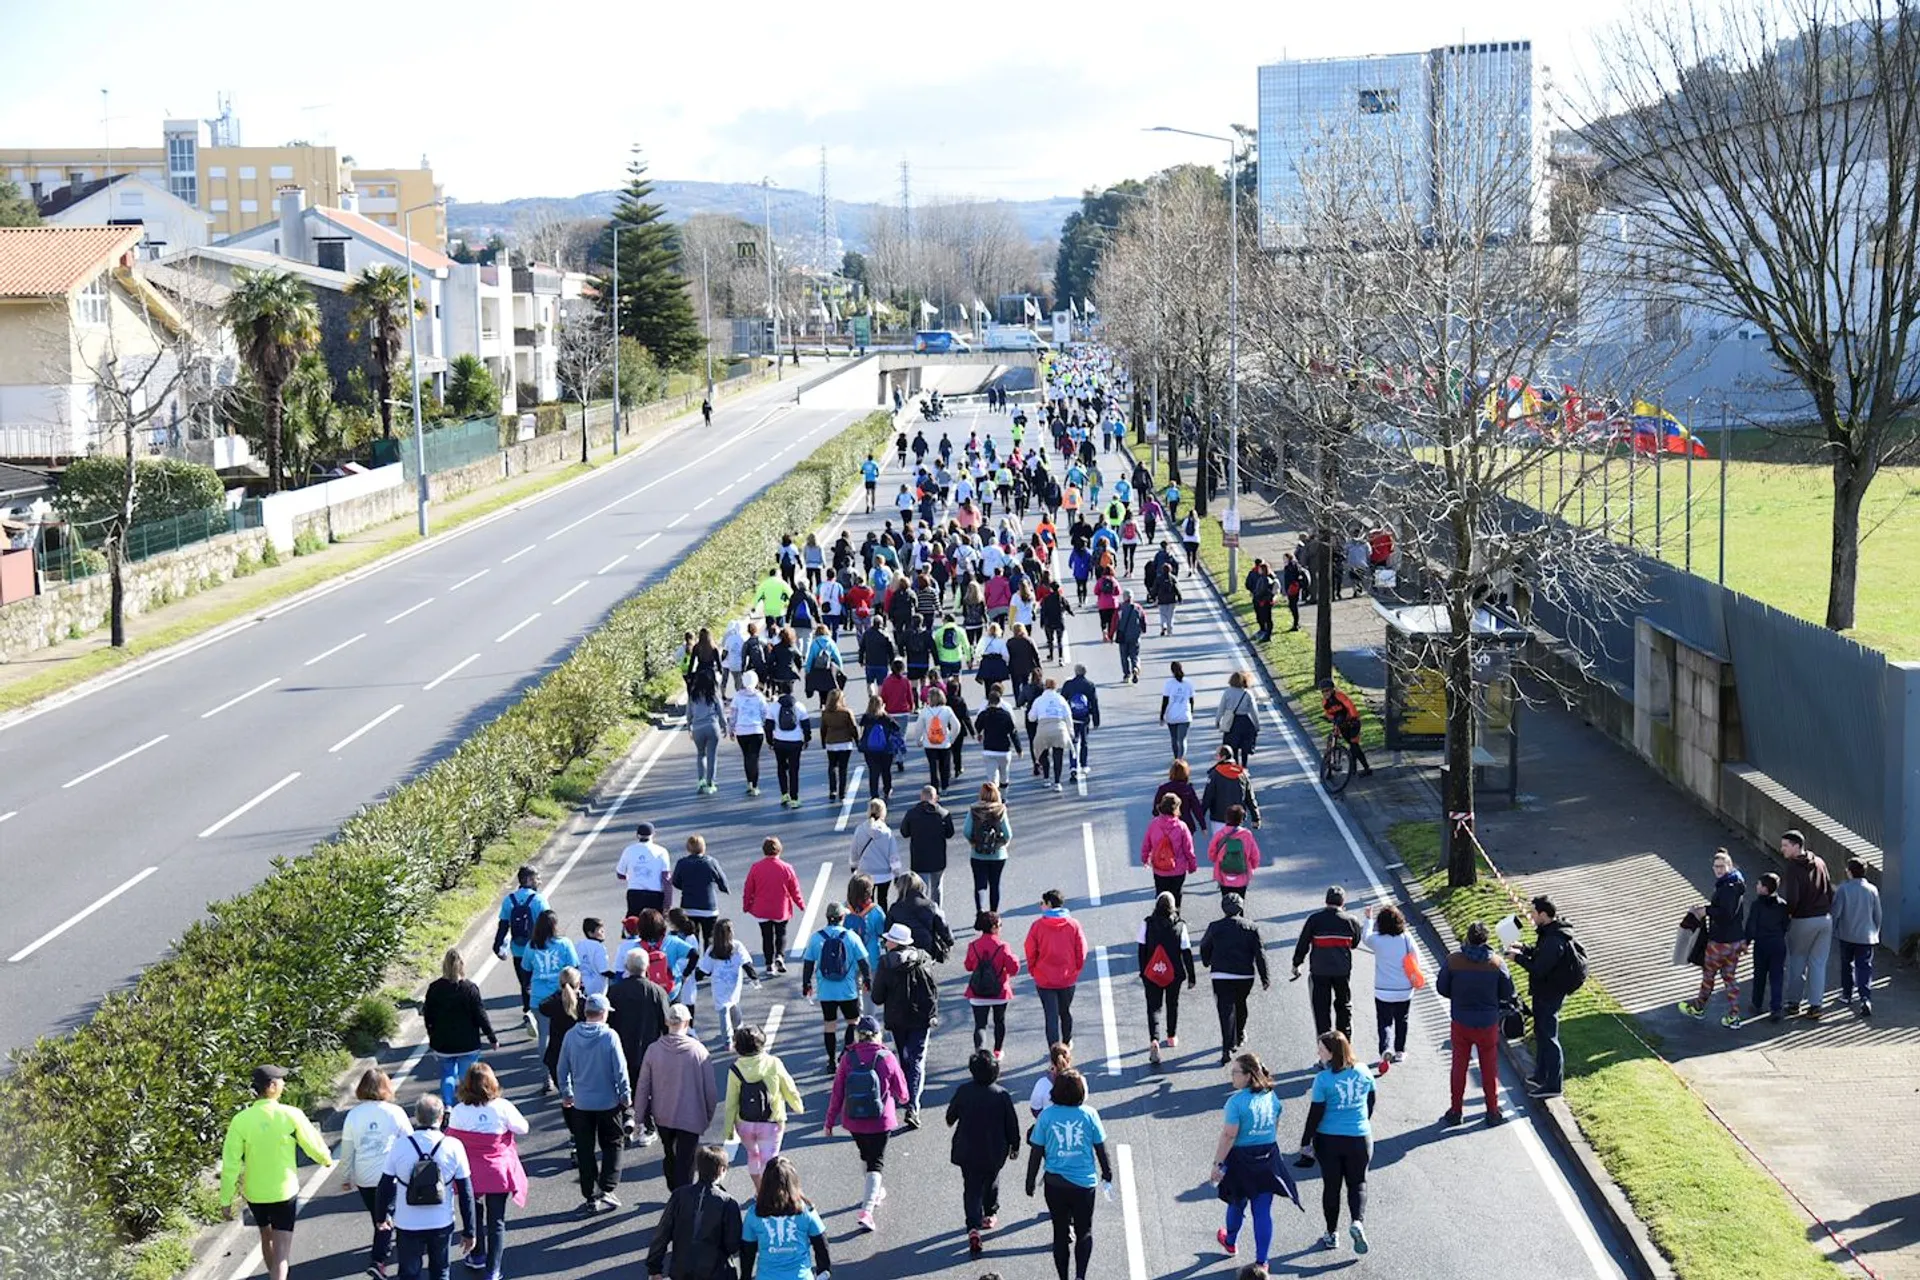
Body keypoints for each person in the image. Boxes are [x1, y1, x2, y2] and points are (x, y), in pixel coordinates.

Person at [220, 1065, 334, 1280]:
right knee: (282, 1251)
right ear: (271, 1086)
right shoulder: (290, 1114)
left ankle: (275, 1275)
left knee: (266, 1236)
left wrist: (225, 1199)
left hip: (255, 1192)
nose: (284, 1084)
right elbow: (312, 1144)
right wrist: (326, 1159)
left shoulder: (241, 1120)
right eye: (281, 1081)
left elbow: (231, 1164)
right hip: (284, 1191)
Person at [1210, 1052, 1298, 1270]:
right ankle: (1262, 1262)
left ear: (1248, 1075)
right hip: (1267, 1158)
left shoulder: (1236, 1102)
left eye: (1235, 1072)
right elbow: (1275, 1125)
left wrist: (1217, 1164)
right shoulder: (1272, 1096)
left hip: (1241, 1160)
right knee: (1262, 1211)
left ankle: (1230, 1242)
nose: (1232, 1076)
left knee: (1236, 1202)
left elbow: (1229, 1135)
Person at [825, 1014, 912, 1233]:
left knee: (866, 1156)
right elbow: (903, 1093)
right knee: (876, 1162)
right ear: (878, 1035)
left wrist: (829, 1122)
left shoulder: (848, 1058)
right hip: (880, 1121)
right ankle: (867, 1210)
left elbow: (837, 1093)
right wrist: (903, 1100)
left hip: (854, 1121)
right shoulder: (886, 1057)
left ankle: (875, 1190)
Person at [375, 1095, 476, 1280]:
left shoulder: (400, 1145)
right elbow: (466, 1192)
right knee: (440, 1272)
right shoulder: (453, 1146)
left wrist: (381, 1217)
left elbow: (385, 1185)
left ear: (416, 1116)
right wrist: (470, 1230)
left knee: (409, 1273)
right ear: (440, 1118)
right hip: (441, 1221)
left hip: (407, 1223)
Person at [1025, 1068, 1113, 1280]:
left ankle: (1063, 1277)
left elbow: (1036, 1151)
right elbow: (1100, 1147)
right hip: (1084, 1185)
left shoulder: (1046, 1116)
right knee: (1084, 1231)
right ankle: (1080, 1276)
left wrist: (1029, 1181)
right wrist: (1107, 1172)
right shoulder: (1089, 1114)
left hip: (1055, 1185)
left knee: (1060, 1233)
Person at [446, 1063, 529, 1280]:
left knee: (473, 1215)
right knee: (497, 1220)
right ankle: (493, 1270)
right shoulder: (502, 1107)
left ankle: (477, 1255)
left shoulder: (458, 1111)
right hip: (497, 1171)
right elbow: (523, 1128)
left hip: (470, 1172)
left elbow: (451, 1140)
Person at [1297, 1031, 1377, 1255]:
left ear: (1332, 1053)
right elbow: (1371, 1100)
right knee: (1358, 1183)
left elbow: (1315, 1114)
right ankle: (1357, 1222)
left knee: (1331, 1187)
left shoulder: (1323, 1079)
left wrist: (1305, 1142)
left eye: (1321, 1049)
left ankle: (1332, 1234)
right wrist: (1361, 1121)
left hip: (1329, 1141)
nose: (1318, 1053)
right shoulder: (1363, 1071)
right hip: (1359, 1138)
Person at [555, 992, 631, 1213]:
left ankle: (590, 1194)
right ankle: (607, 1187)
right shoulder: (609, 1036)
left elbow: (562, 1068)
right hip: (608, 1103)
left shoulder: (571, 1035)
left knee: (585, 1149)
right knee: (613, 1143)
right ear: (604, 1013)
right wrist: (625, 1096)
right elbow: (620, 1070)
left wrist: (567, 1093)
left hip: (581, 1104)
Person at [635, 1004, 720, 1194]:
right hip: (692, 1117)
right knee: (687, 1160)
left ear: (667, 1022)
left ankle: (674, 1192)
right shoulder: (698, 1051)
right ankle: (683, 1199)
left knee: (669, 1155)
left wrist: (639, 1117)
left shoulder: (653, 1050)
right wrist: (707, 1117)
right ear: (688, 1023)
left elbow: (642, 1086)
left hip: (663, 1115)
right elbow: (711, 1091)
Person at [1437, 921, 1514, 1127]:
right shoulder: (1496, 963)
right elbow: (1507, 992)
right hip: (1487, 1023)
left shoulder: (1453, 961)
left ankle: (1455, 1110)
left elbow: (1442, 988)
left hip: (1461, 1021)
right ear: (1486, 940)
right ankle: (1492, 1111)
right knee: (1489, 1068)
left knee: (1459, 1066)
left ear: (1468, 938)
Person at [948, 1048, 1023, 1257]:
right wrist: (1015, 1146)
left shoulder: (964, 1091)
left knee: (971, 1188)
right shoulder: (1002, 1095)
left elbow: (950, 1117)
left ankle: (973, 1227)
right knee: (991, 1181)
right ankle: (989, 1213)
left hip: (967, 1150)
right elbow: (1012, 1125)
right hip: (994, 1151)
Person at [336, 1069, 410, 1280]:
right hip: (391, 1175)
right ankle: (378, 1260)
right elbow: (409, 1141)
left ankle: (383, 1247)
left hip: (364, 1177)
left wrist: (345, 1177)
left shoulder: (353, 1115)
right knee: (386, 1216)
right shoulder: (395, 1112)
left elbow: (347, 1150)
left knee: (378, 1215)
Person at [1508, 895, 1582, 1095]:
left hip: (1550, 993)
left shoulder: (1554, 939)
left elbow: (1539, 968)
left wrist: (1518, 958)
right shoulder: (1549, 932)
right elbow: (1540, 954)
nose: (1530, 916)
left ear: (1543, 914)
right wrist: (1524, 948)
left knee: (1549, 1037)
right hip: (1544, 991)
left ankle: (1554, 1085)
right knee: (1541, 1033)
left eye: (1533, 912)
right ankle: (1540, 1075)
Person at [870, 921, 939, 1127]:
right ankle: (913, 1106)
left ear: (894, 942)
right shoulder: (924, 958)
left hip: (897, 1018)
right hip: (921, 1017)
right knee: (918, 1060)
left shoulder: (886, 963)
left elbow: (877, 997)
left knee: (904, 1058)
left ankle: (904, 1094)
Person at [723, 1024, 804, 1193]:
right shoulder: (773, 1063)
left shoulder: (735, 1069)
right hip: (772, 1121)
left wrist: (728, 1129)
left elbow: (731, 1101)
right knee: (770, 1160)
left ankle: (760, 1192)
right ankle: (772, 1194)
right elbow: (788, 1087)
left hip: (745, 1123)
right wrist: (797, 1106)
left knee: (753, 1156)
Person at [644, 1145, 743, 1280]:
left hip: (681, 1271)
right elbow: (733, 1245)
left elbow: (662, 1233)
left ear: (698, 1167)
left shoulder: (679, 1196)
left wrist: (654, 1268)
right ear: (722, 1169)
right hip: (717, 1272)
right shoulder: (728, 1203)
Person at [1680, 849, 1748, 1027]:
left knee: (1708, 975)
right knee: (1729, 977)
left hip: (1720, 942)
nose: (1718, 870)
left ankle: (1699, 1007)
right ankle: (1734, 1015)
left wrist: (1706, 911)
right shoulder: (1736, 883)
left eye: (1721, 866)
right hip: (1736, 941)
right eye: (1715, 866)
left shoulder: (1727, 888)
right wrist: (1707, 908)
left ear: (1729, 866)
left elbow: (1725, 913)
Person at [607, 944, 673, 1129]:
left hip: (621, 1049)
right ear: (647, 967)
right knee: (649, 1089)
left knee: (624, 1085)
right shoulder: (656, 992)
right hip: (649, 1050)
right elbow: (666, 1023)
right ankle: (648, 1126)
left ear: (627, 967)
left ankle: (627, 1117)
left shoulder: (615, 992)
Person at [422, 948, 498, 1108]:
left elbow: (428, 1015)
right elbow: (480, 1015)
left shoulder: (434, 988)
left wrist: (432, 1036)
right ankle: (466, 1105)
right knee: (467, 1077)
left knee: (447, 1074)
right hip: (468, 1043)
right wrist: (491, 1037)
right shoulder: (470, 988)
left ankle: (448, 1106)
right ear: (462, 965)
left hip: (443, 1043)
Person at [1200, 894, 1270, 1065]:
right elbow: (1260, 953)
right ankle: (1239, 1034)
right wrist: (1264, 976)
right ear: (1241, 907)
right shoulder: (1252, 927)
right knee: (1241, 1004)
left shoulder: (1215, 927)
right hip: (1244, 975)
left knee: (1225, 1010)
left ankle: (1227, 1047)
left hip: (1221, 975)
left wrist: (1207, 961)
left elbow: (1204, 946)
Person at [802, 902, 873, 1068]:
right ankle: (846, 1054)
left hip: (826, 990)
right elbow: (864, 962)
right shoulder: (851, 936)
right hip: (847, 990)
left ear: (827, 918)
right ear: (843, 918)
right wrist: (868, 980)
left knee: (829, 1025)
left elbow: (808, 963)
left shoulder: (816, 937)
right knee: (853, 1022)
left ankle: (831, 1061)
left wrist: (806, 984)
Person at [739, 1156, 833, 1278]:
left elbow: (747, 1252)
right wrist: (823, 1271)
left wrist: (745, 1277)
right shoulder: (806, 1211)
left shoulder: (754, 1213)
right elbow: (821, 1244)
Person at [1291, 886, 1364, 1043]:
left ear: (1326, 901)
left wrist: (1297, 963)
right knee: (1343, 1007)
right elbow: (1355, 943)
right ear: (1343, 902)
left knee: (1322, 1011)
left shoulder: (1314, 919)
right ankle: (1344, 1045)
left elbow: (1303, 943)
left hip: (1319, 971)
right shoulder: (1351, 921)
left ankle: (1325, 1049)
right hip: (1342, 971)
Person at [1139, 891, 1197, 1066]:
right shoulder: (1180, 926)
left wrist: (1143, 972)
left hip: (1152, 972)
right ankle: (1171, 1036)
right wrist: (1191, 975)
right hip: (1174, 974)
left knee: (1153, 1007)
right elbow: (1186, 952)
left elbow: (1141, 950)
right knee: (1173, 1003)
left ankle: (1154, 1039)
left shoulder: (1147, 923)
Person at [1025, 889, 1089, 1050]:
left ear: (1049, 904)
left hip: (1044, 978)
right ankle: (1067, 1041)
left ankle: (1055, 1050)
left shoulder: (1038, 926)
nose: (1041, 906)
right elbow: (1082, 949)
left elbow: (1030, 950)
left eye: (1042, 903)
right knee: (1065, 1011)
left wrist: (1032, 969)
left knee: (1051, 1016)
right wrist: (1076, 968)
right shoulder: (1073, 924)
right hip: (1067, 978)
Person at [1781, 830, 1835, 1018]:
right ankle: (1815, 1005)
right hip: (1824, 919)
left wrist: (1789, 914)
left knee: (1797, 960)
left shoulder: (1793, 867)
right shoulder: (1819, 862)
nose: (1782, 849)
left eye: (1786, 846)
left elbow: (1793, 898)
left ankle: (1794, 1003)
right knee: (1818, 963)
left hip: (1803, 919)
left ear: (1797, 846)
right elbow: (1829, 889)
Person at [492, 866, 550, 1030]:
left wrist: (497, 946)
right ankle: (540, 1013)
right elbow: (549, 923)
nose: (539, 881)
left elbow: (503, 925)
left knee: (525, 984)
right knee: (540, 980)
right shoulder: (539, 900)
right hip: (538, 949)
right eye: (537, 878)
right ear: (529, 880)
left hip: (518, 950)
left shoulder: (509, 900)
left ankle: (528, 1012)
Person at [523, 911, 581, 1069]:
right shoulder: (564, 943)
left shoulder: (531, 945)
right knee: (567, 1034)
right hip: (562, 996)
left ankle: (546, 1073)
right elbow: (574, 968)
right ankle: (570, 1069)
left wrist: (527, 986)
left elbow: (526, 969)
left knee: (544, 1036)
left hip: (538, 998)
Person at [1360, 906, 1417, 1064]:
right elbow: (1416, 959)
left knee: (1384, 1021)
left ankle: (1385, 1048)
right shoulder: (1406, 938)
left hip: (1383, 990)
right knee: (1402, 1020)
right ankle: (1400, 1051)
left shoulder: (1377, 940)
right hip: (1404, 989)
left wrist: (1368, 919)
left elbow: (1365, 937)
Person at [743, 837, 805, 974]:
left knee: (766, 936)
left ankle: (769, 964)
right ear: (779, 850)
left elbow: (748, 888)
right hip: (780, 909)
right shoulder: (787, 868)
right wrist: (800, 904)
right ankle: (780, 956)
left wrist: (746, 905)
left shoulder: (756, 867)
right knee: (781, 933)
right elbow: (794, 889)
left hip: (761, 909)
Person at [965, 910, 1021, 1058]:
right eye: (1000, 925)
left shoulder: (973, 945)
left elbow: (968, 966)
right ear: (994, 927)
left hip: (977, 992)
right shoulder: (1003, 946)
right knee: (999, 1021)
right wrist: (1014, 958)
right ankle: (997, 1052)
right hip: (999, 992)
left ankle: (980, 1053)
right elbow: (1013, 969)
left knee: (980, 1025)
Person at [1832, 857, 1882, 1017]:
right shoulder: (1872, 889)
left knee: (1846, 965)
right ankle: (1865, 998)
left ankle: (1847, 995)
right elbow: (1877, 914)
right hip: (1866, 935)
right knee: (1864, 966)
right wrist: (1875, 931)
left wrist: (1833, 929)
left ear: (1849, 871)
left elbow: (1836, 913)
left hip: (1846, 934)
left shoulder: (1843, 889)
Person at [698, 918, 762, 1043]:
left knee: (723, 1010)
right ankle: (738, 1029)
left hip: (719, 985)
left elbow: (705, 969)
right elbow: (746, 963)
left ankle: (727, 1039)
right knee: (734, 1003)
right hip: (734, 983)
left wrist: (695, 977)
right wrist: (754, 977)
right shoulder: (737, 946)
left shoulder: (712, 950)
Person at [1745, 872, 1792, 1022]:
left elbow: (1751, 926)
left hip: (1762, 944)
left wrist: (1746, 942)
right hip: (1778, 943)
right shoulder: (1783, 905)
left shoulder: (1757, 905)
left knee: (1759, 975)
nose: (1756, 886)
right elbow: (1786, 925)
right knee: (1777, 976)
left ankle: (1756, 1003)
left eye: (1759, 884)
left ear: (1765, 889)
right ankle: (1776, 1007)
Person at [672, 835, 731, 950]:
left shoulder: (682, 863)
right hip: (709, 908)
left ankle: (693, 963)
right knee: (709, 938)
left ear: (688, 848)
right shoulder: (711, 862)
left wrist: (685, 888)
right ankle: (707, 964)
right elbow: (722, 880)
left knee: (691, 938)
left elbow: (675, 881)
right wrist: (724, 888)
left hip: (689, 907)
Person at [1140, 794, 1199, 906]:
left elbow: (1146, 844)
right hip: (1178, 869)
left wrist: (1145, 859)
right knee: (1176, 895)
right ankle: (1175, 918)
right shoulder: (1182, 826)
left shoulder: (1154, 824)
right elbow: (1188, 849)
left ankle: (1160, 919)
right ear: (1176, 809)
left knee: (1160, 895)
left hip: (1159, 868)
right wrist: (1192, 865)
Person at [965, 780, 1014, 912]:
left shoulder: (974, 809)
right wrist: (1002, 844)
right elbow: (1008, 833)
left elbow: (967, 831)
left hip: (978, 854)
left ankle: (980, 913)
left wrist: (974, 842)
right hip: (998, 855)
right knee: (995, 885)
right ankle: (993, 914)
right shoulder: (1001, 810)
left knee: (979, 885)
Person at [886, 868, 955, 962]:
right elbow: (942, 926)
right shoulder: (930, 905)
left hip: (903, 948)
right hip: (926, 948)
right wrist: (949, 941)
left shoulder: (895, 908)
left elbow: (887, 930)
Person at [764, 684, 813, 809]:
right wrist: (806, 739)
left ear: (780, 691)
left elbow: (768, 726)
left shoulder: (774, 706)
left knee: (781, 768)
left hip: (779, 741)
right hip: (795, 742)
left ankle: (784, 794)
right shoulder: (799, 706)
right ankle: (794, 797)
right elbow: (806, 726)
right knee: (794, 770)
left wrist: (770, 742)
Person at [538, 965, 584, 1093]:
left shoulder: (553, 1004)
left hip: (558, 1053)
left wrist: (559, 992)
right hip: (580, 1054)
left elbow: (542, 1006)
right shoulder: (583, 1004)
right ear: (579, 983)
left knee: (566, 1092)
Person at [850, 798, 903, 908]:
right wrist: (897, 873)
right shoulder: (887, 832)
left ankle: (869, 923)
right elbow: (893, 856)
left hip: (865, 873)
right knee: (883, 900)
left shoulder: (860, 830)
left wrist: (854, 866)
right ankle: (882, 922)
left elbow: (854, 851)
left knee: (867, 901)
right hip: (884, 875)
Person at [730, 671, 772, 797]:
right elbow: (766, 713)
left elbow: (733, 714)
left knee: (746, 756)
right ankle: (755, 785)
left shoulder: (738, 696)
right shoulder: (759, 696)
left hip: (742, 730)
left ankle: (749, 782)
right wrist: (767, 727)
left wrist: (731, 729)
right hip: (756, 729)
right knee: (754, 757)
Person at [1207, 807, 1262, 902]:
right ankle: (1240, 915)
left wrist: (1217, 860)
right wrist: (1253, 866)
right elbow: (1255, 855)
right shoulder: (1247, 835)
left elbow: (1211, 854)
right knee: (1240, 902)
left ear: (1226, 818)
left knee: (1226, 902)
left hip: (1224, 875)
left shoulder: (1220, 834)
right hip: (1242, 875)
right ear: (1242, 819)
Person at [1319, 680, 1372, 777]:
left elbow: (1350, 706)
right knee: (1351, 746)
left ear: (1332, 690)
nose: (1325, 693)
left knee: (1354, 745)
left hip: (1352, 723)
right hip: (1342, 725)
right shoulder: (1325, 702)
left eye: (1327, 690)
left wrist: (1353, 717)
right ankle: (1353, 768)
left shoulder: (1340, 696)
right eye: (1323, 691)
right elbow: (1328, 713)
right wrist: (1330, 718)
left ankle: (1364, 768)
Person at [1200, 746, 1261, 829]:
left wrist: (1200, 817)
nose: (1215, 757)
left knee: (1220, 841)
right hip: (1237, 818)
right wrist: (1256, 818)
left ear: (1223, 757)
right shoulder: (1242, 774)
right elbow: (1250, 797)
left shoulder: (1215, 774)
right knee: (1234, 841)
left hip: (1219, 818)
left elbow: (1207, 797)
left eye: (1217, 755)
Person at [1029, 677, 1074, 790]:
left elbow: (1031, 718)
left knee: (1043, 753)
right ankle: (1057, 782)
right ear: (1055, 687)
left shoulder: (1039, 700)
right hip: (1059, 728)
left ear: (1045, 687)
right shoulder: (1061, 699)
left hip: (1043, 728)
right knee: (1058, 754)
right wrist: (1070, 731)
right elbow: (1068, 716)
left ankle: (1046, 778)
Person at [974, 685, 1022, 789]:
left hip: (989, 749)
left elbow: (977, 726)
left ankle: (995, 798)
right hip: (1004, 750)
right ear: (999, 701)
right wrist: (1019, 749)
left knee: (992, 778)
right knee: (1004, 777)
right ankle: (1003, 798)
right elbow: (1013, 732)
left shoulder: (984, 714)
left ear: (988, 701)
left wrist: (979, 733)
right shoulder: (1005, 715)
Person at [1060, 663, 1100, 781]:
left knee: (1073, 742)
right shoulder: (1089, 685)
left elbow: (1062, 700)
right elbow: (1094, 703)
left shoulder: (1069, 684)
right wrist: (1096, 720)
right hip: (1084, 718)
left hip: (1072, 718)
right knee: (1084, 742)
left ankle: (1073, 766)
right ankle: (1083, 764)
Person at [819, 688, 859, 803]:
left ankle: (832, 790)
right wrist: (857, 739)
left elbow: (823, 729)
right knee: (843, 768)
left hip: (831, 742)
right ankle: (842, 792)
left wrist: (823, 741)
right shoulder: (846, 712)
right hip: (845, 742)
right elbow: (853, 727)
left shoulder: (825, 713)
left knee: (832, 766)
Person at [1214, 671, 1261, 766]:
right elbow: (1254, 711)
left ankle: (1235, 766)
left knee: (1232, 748)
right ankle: (1244, 766)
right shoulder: (1247, 693)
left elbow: (1221, 708)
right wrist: (1257, 725)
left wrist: (1218, 720)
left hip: (1231, 724)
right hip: (1245, 722)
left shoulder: (1227, 692)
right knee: (1245, 748)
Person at [689, 682, 727, 796]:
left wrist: (689, 727)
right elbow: (720, 712)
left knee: (701, 754)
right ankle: (711, 783)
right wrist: (724, 726)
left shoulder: (693, 696)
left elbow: (688, 714)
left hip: (697, 728)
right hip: (712, 727)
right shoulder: (713, 695)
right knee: (712, 755)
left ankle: (701, 781)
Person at [1155, 759, 1205, 839]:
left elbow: (1156, 809)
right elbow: (1196, 808)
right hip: (1186, 825)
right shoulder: (1188, 789)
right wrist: (1203, 825)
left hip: (1167, 827)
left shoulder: (1163, 789)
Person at [1106, 588, 1148, 683]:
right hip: (1135, 635)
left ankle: (1127, 675)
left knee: (1124, 656)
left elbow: (1114, 623)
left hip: (1123, 636)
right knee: (1135, 655)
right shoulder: (1138, 608)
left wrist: (1111, 635)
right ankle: (1136, 667)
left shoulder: (1120, 609)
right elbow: (1143, 619)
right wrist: (1143, 629)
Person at [1160, 661, 1197, 760]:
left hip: (1172, 715)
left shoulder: (1168, 683)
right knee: (1182, 740)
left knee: (1174, 739)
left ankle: (1176, 759)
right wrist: (1191, 712)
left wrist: (1161, 716)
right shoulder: (1188, 683)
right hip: (1185, 715)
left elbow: (1165, 701)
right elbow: (1191, 700)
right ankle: (1181, 760)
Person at [1244, 559, 1277, 643]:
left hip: (1263, 600)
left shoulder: (1266, 578)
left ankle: (1266, 632)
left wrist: (1256, 594)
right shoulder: (1255, 574)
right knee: (1261, 616)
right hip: (1259, 599)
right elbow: (1248, 584)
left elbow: (1266, 589)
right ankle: (1263, 630)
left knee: (1265, 617)